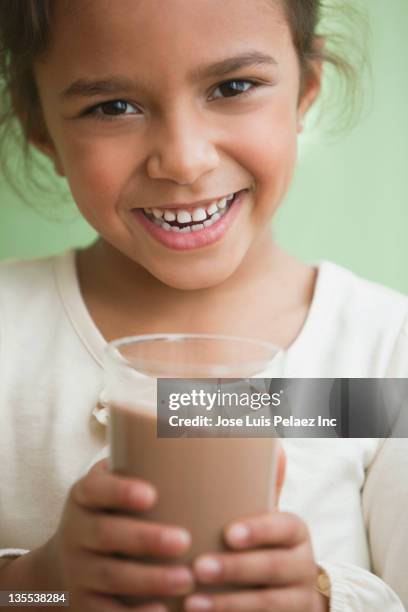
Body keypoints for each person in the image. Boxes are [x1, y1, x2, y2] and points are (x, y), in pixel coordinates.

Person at [0, 1, 407, 611]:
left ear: (305, 91)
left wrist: (318, 602)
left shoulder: (381, 352)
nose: (185, 160)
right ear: (42, 131)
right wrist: (42, 587)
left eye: (233, 86)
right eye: (112, 107)